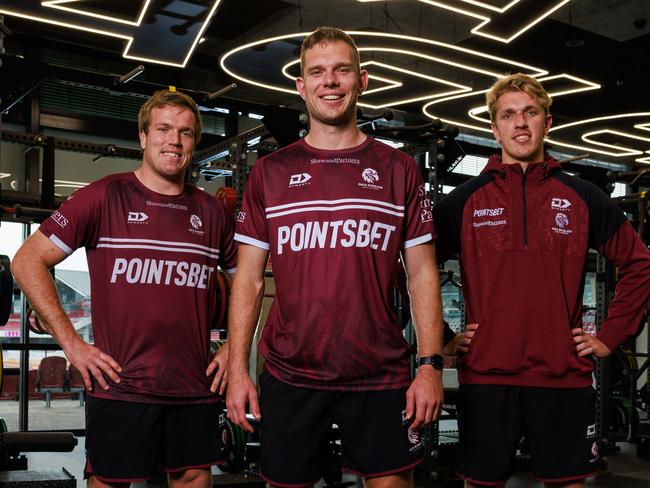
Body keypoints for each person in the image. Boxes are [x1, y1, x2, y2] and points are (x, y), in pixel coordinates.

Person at [226, 27, 445, 488]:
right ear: (301, 87)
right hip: (290, 371)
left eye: (341, 70)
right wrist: (236, 369)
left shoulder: (397, 168)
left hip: (379, 372)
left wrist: (429, 366)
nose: (330, 81)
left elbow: (422, 274)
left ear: (361, 80)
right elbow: (246, 279)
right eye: (317, 72)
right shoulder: (270, 172)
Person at [433, 73, 650, 488]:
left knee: (568, 482)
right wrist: (441, 338)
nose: (520, 123)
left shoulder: (583, 196)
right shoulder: (463, 201)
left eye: (530, 113)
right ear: (494, 128)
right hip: (486, 378)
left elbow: (640, 264)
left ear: (546, 123)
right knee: (480, 483)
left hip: (562, 376)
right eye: (509, 115)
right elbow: (412, 269)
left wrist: (611, 334)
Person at [11, 89, 237, 487]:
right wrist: (72, 344)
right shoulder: (105, 196)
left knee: (192, 478)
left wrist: (236, 346)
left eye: (185, 133)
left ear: (194, 143)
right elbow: (27, 260)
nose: (174, 140)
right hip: (121, 386)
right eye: (164, 129)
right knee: (111, 481)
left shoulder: (212, 211)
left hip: (193, 386)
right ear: (144, 136)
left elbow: (248, 281)